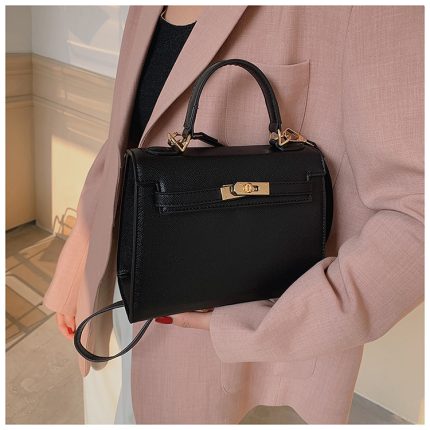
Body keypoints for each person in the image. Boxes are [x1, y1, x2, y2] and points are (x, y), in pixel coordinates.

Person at [44, 5, 424, 424]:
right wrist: (81, 263)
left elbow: (417, 220)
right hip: (113, 303)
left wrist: (252, 324)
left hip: (232, 366)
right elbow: (130, 133)